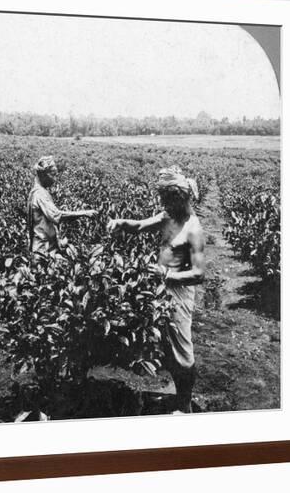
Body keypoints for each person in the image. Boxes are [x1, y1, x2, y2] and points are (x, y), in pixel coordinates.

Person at [107, 167, 205, 413]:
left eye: (167, 199)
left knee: (183, 352)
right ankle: (178, 398)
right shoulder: (168, 217)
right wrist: (121, 223)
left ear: (179, 198)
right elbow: (139, 225)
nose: (164, 204)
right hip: (161, 292)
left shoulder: (193, 229)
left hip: (179, 294)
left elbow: (198, 274)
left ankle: (184, 405)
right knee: (168, 351)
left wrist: (167, 274)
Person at [27, 156, 98, 256]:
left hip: (46, 248)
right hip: (43, 250)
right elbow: (57, 216)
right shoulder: (39, 194)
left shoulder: (38, 192)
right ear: (43, 175)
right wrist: (84, 213)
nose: (54, 179)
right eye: (53, 175)